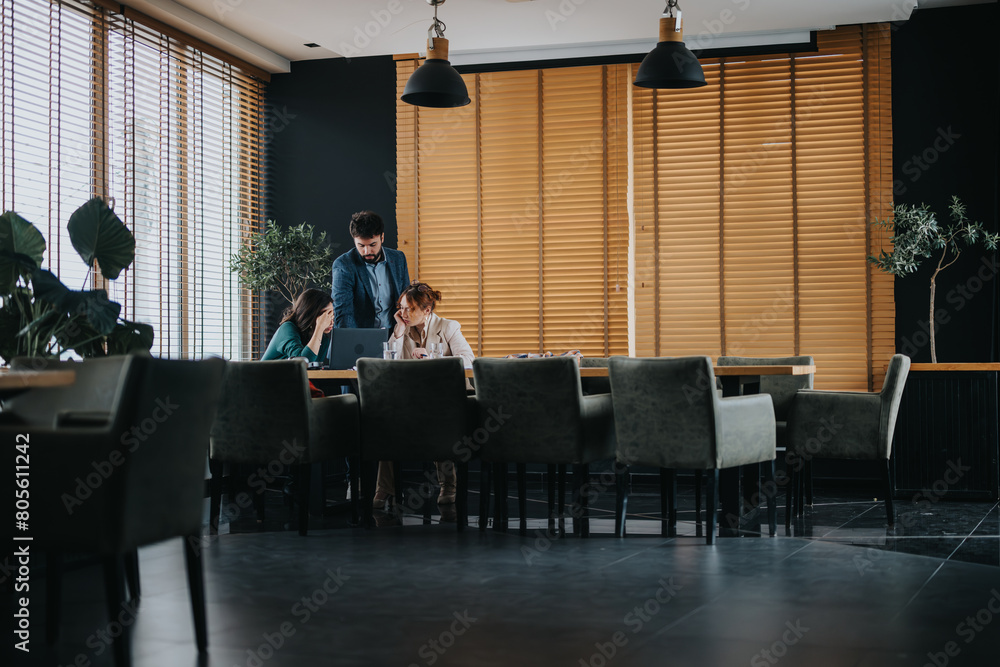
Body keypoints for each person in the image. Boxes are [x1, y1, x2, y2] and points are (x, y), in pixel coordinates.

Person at [373, 281, 475, 508]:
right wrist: (398, 332)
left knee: (442, 418)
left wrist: (432, 359)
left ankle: (448, 485)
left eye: (410, 309)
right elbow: (389, 364)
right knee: (385, 419)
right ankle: (384, 489)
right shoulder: (402, 329)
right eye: (401, 307)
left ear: (427, 310)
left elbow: (469, 361)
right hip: (412, 397)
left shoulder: (448, 327)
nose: (403, 313)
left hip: (445, 398)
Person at [331, 210, 410, 330]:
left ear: (382, 237)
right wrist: (352, 344)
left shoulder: (398, 259)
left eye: (372, 245)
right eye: (361, 246)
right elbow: (343, 313)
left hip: (394, 335)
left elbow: (406, 299)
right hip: (360, 338)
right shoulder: (344, 265)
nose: (367, 251)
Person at [261, 288, 334, 362]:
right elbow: (303, 362)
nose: (331, 322)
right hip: (267, 373)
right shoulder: (287, 329)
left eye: (332, 315)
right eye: (327, 315)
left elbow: (313, 370)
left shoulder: (323, 340)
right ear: (310, 313)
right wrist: (319, 327)